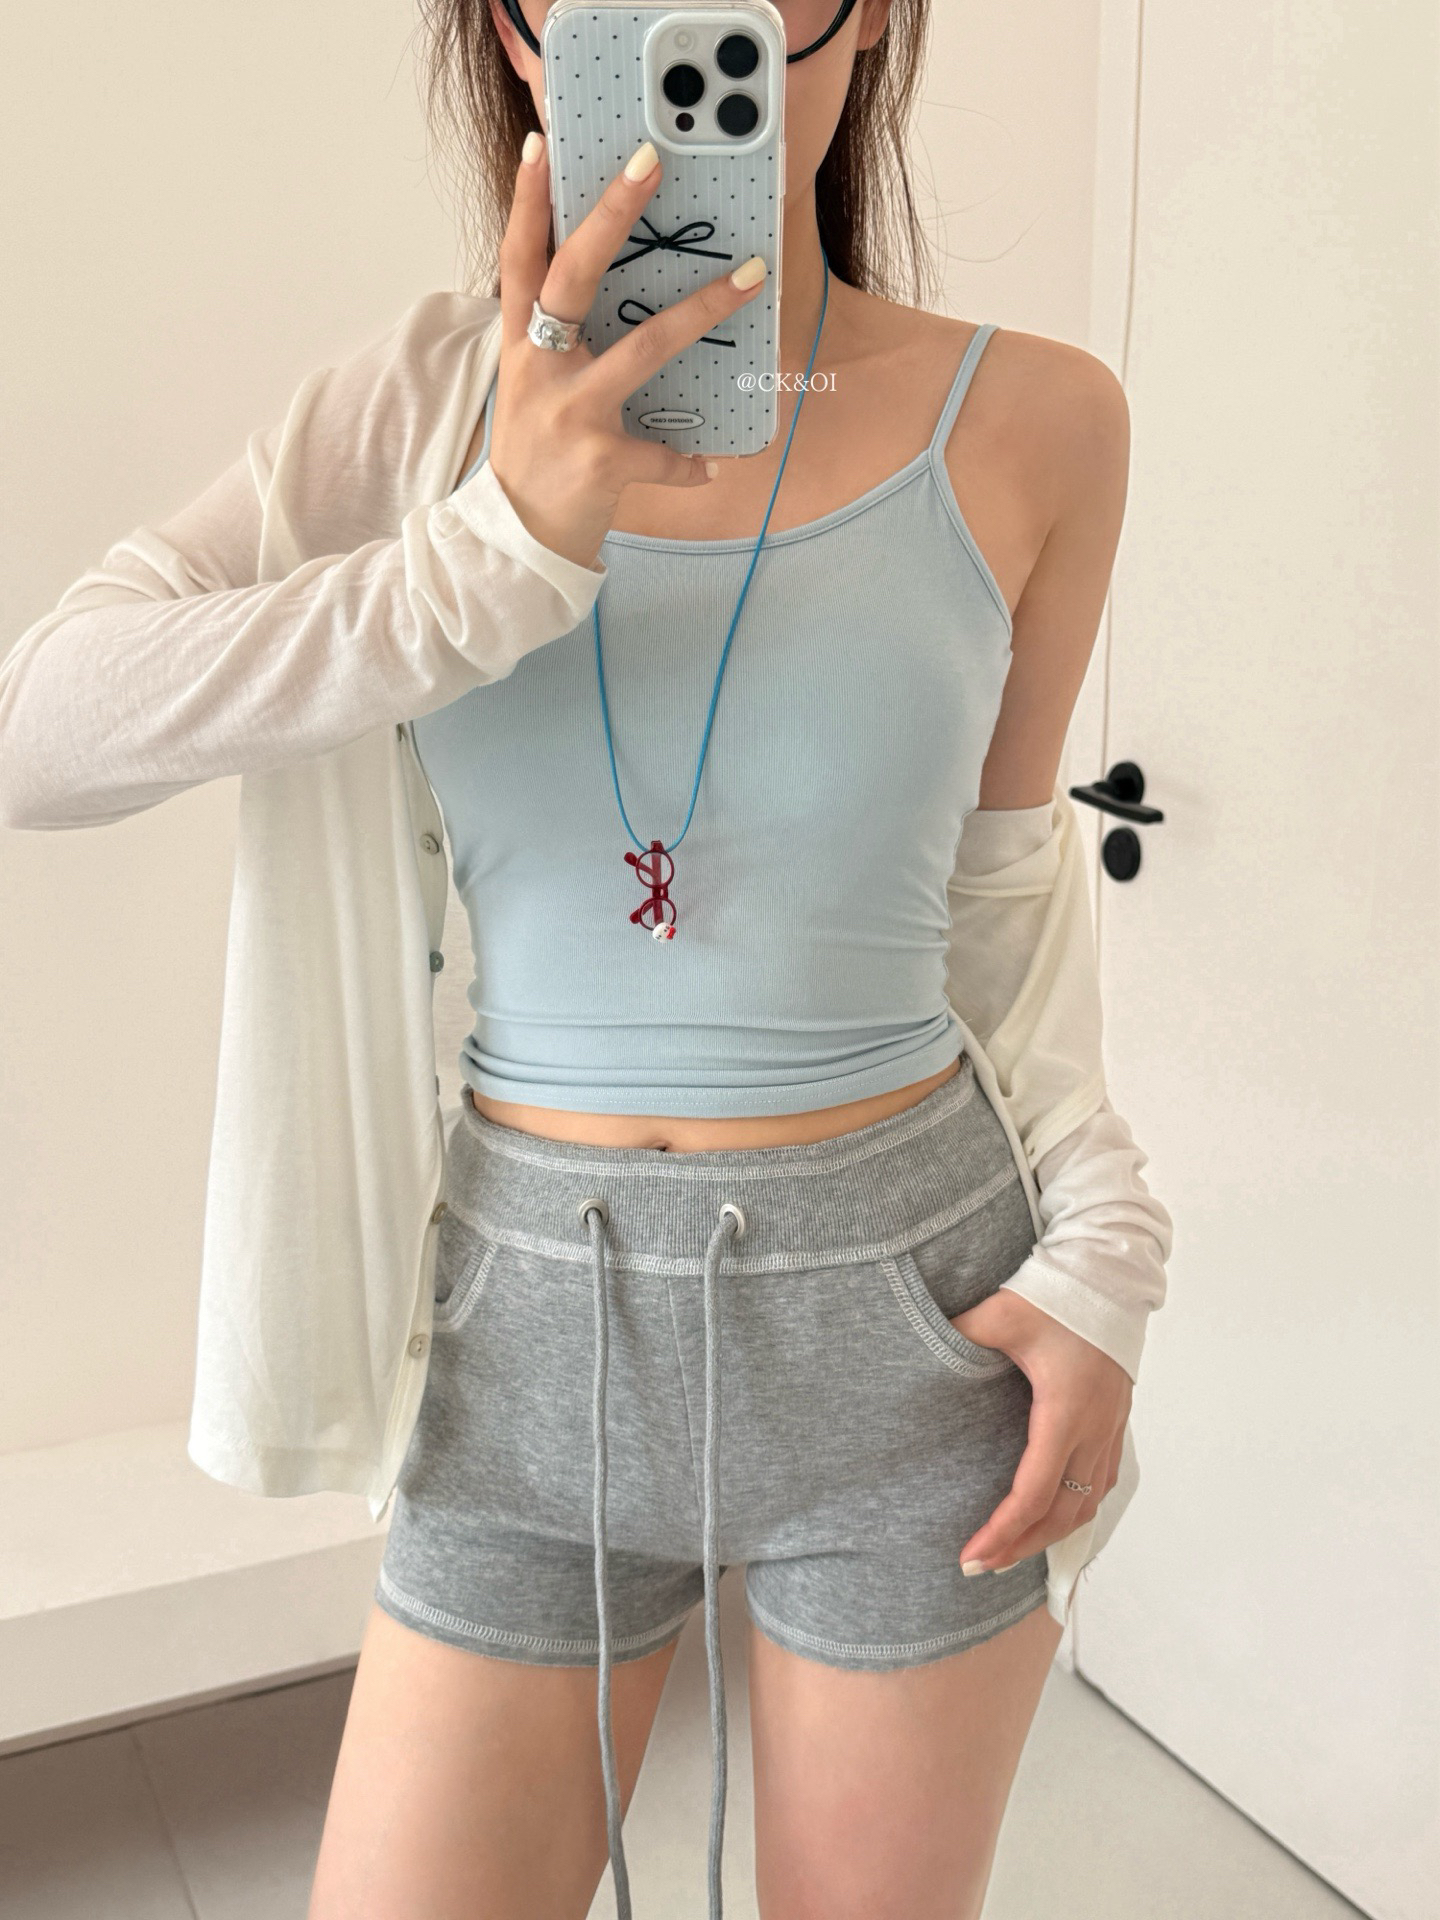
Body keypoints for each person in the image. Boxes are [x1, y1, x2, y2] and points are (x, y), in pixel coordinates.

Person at [0, 2, 1173, 1915]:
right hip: (523, 1343)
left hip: (913, 1324)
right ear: (523, 39)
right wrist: (485, 551)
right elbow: (40, 731)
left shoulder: (1039, 419)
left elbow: (1003, 898)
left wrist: (1109, 1247)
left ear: (873, 20)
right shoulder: (406, 417)